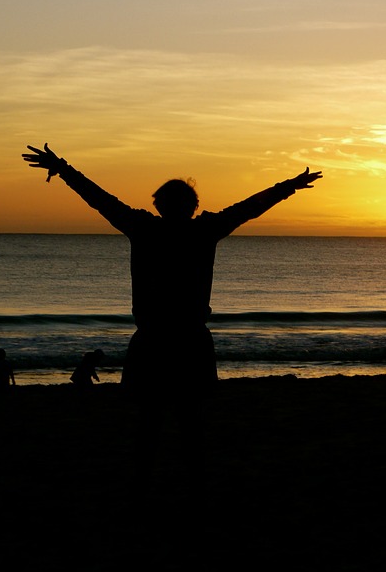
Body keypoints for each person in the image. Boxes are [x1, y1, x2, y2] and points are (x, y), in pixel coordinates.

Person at [21, 142, 321, 481]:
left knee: (152, 420)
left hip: (156, 340)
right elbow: (249, 208)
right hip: (187, 339)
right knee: (188, 420)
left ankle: (149, 484)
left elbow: (99, 198)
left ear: (159, 205)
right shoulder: (202, 230)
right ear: (192, 206)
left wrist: (62, 169)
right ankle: (189, 484)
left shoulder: (145, 227)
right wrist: (288, 188)